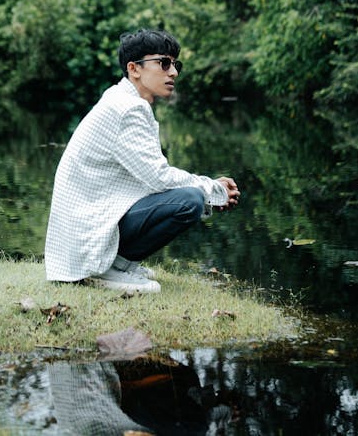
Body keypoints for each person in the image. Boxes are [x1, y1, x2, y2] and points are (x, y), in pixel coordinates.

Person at [44, 29, 240, 293]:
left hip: (86, 226)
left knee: (188, 196)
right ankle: (106, 269)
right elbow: (158, 178)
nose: (173, 73)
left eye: (175, 65)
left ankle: (118, 263)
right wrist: (211, 188)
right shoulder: (128, 108)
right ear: (134, 69)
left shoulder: (122, 98)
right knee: (189, 201)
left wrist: (208, 188)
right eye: (164, 63)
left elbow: (149, 177)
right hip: (86, 235)